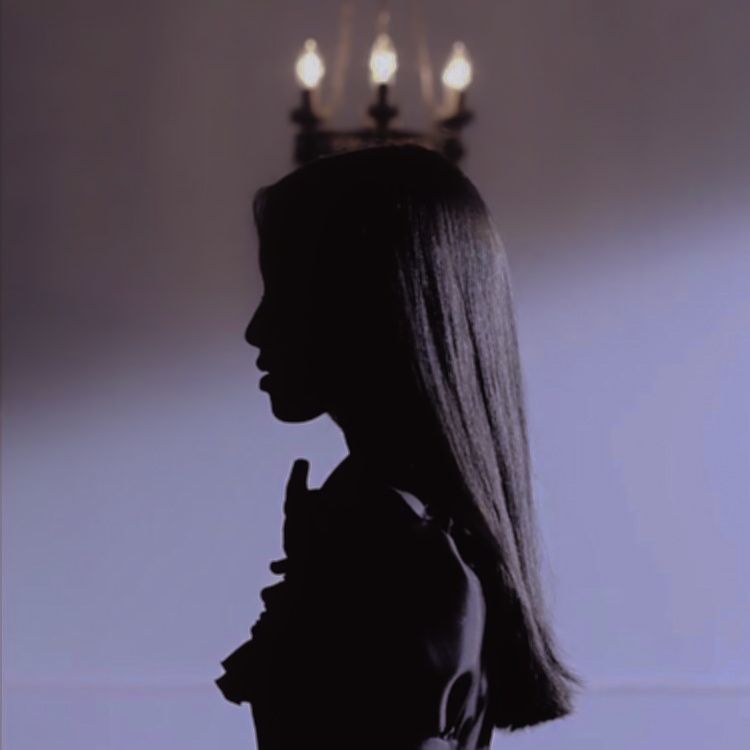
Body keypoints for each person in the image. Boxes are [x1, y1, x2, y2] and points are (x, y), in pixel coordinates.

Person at [215, 144, 581, 749]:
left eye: (284, 291)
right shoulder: (386, 527)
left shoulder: (404, 558)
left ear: (366, 306)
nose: (256, 329)